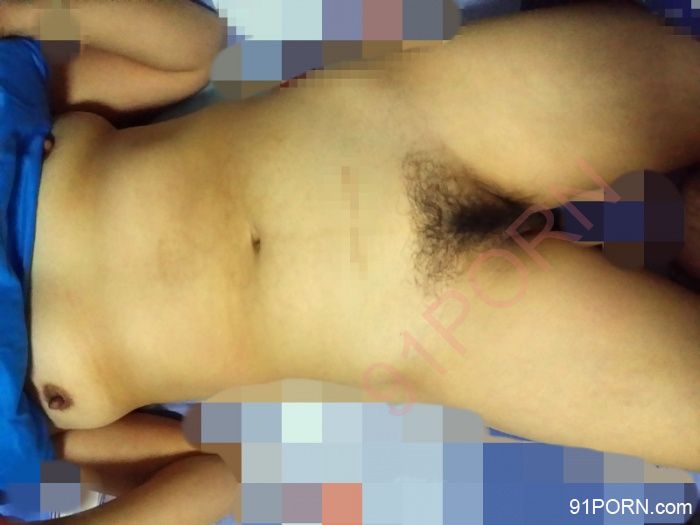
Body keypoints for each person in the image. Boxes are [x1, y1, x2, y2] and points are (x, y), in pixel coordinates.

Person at [1, 0, 699, 523]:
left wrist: (24, 12)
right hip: (427, 329)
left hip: (401, 120)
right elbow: (213, 474)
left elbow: (192, 49)